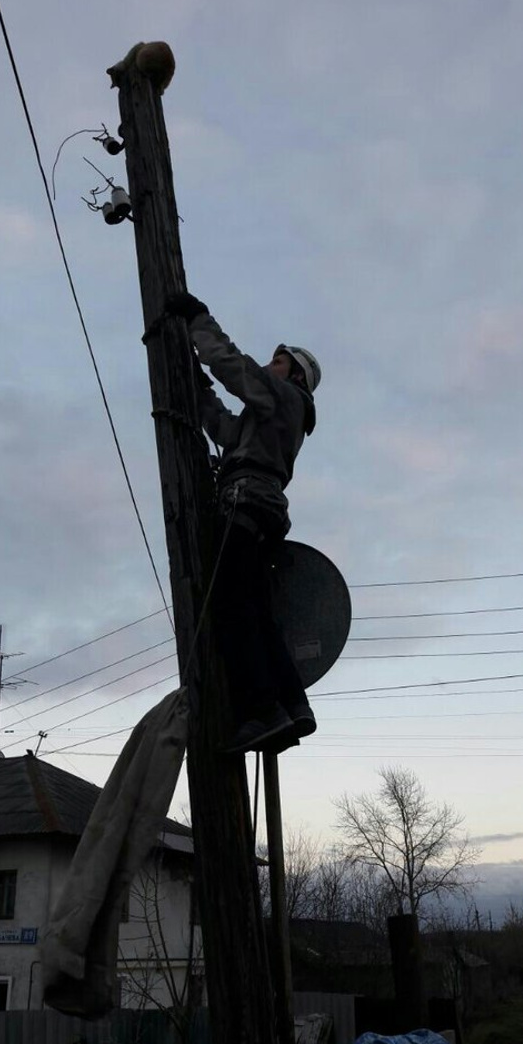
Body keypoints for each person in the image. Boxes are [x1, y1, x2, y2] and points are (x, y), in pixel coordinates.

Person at [165, 291, 321, 755]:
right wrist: (197, 386)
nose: (270, 366)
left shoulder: (284, 396)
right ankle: (293, 704)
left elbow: (233, 366)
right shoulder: (270, 419)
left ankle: (260, 710)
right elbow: (223, 428)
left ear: (295, 375)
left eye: (278, 361)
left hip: (247, 503)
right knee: (254, 612)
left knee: (231, 610)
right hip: (261, 509)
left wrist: (198, 320)